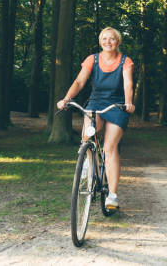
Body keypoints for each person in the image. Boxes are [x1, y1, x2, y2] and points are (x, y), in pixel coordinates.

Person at [57, 27, 135, 211]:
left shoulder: (125, 61)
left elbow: (128, 83)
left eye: (112, 39)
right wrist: (66, 99)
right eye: (105, 38)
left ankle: (113, 196)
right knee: (87, 136)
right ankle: (87, 162)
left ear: (118, 42)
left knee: (109, 147)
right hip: (96, 103)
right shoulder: (92, 59)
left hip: (117, 105)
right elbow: (79, 81)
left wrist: (128, 102)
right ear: (100, 41)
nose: (108, 42)